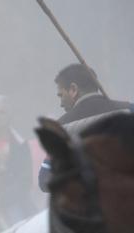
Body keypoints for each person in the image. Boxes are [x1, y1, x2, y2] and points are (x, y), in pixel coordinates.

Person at [38, 64, 132, 192]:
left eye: (61, 95)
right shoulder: (128, 110)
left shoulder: (62, 128)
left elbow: (46, 180)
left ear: (73, 89)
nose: (61, 103)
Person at [0, 95, 34, 224]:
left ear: (9, 116)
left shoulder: (20, 145)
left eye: (2, 112)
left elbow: (25, 181)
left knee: (19, 229)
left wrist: (1, 200)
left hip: (9, 203)